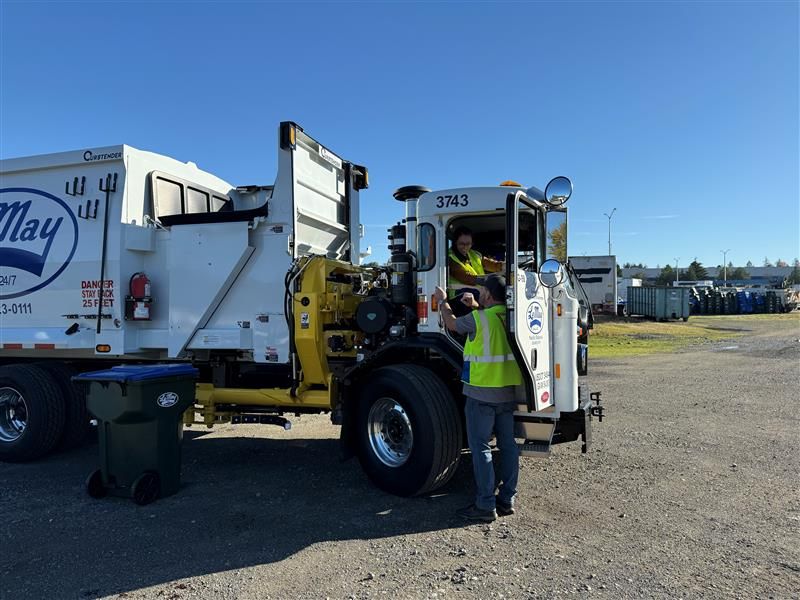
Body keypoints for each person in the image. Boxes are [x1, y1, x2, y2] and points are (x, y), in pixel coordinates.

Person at [433, 273, 522, 523]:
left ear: (489, 295)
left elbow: (451, 324)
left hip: (481, 392)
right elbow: (491, 323)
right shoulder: (508, 316)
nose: (479, 292)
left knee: (481, 448)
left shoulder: (479, 319)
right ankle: (507, 499)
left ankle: (485, 505)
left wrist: (442, 301)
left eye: (482, 290)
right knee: (508, 446)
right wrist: (475, 305)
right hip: (507, 392)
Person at [447, 227, 503, 297]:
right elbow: (467, 278)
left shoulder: (475, 254)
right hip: (459, 295)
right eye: (461, 244)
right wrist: (492, 279)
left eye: (468, 244)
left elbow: (492, 265)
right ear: (455, 242)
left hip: (477, 291)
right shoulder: (449, 257)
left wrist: (504, 266)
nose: (465, 247)